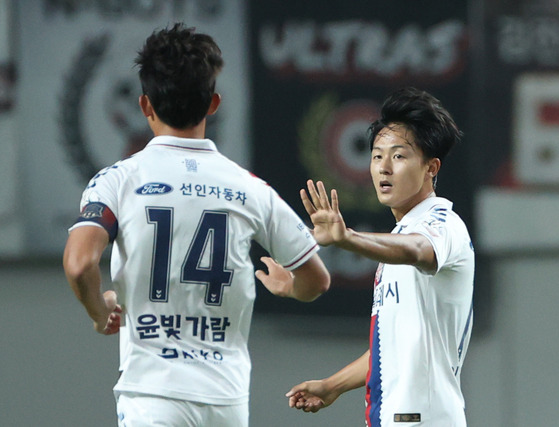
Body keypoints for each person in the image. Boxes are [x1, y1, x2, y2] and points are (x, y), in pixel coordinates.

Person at [63, 23, 330, 427]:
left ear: (144, 105)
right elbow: (317, 280)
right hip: (224, 398)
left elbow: (80, 264)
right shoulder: (250, 188)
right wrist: (291, 287)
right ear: (214, 103)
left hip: (151, 394)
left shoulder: (117, 180)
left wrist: (99, 310)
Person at [286, 87, 474, 427]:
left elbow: (419, 250)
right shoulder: (400, 235)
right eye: (376, 156)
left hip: (421, 420)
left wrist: (347, 237)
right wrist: (333, 386)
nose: (384, 168)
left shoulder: (443, 223)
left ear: (431, 167)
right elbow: (391, 349)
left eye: (399, 156)